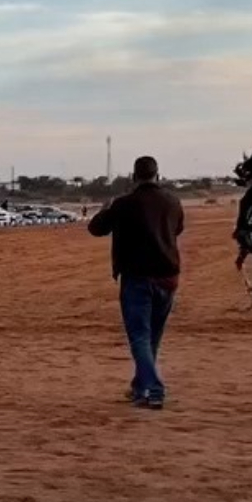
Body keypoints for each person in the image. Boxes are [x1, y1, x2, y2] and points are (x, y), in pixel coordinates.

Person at [88, 156, 184, 410]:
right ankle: (140, 387)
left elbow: (96, 229)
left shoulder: (124, 204)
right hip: (168, 277)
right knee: (152, 337)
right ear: (157, 176)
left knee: (140, 336)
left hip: (137, 277)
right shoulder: (173, 202)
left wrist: (106, 209)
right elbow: (177, 229)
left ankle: (154, 390)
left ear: (134, 177)